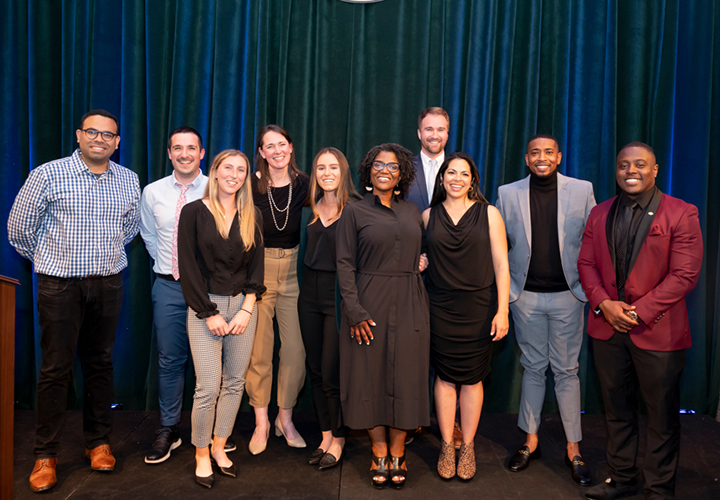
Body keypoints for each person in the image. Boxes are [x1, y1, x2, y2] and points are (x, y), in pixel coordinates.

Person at [7, 109, 141, 493]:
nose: (100, 139)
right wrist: (51, 262)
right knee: (55, 369)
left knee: (100, 364)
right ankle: (45, 454)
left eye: (108, 135)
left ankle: (97, 443)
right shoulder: (48, 174)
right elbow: (19, 228)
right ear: (79, 136)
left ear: (117, 143)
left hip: (109, 284)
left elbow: (129, 228)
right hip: (59, 287)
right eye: (93, 132)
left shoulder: (128, 180)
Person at [578, 142, 702, 500]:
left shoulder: (681, 213)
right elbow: (585, 264)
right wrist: (604, 304)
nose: (631, 171)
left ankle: (659, 490)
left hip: (657, 331)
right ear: (616, 171)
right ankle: (621, 479)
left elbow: (685, 274)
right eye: (623, 165)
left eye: (639, 165)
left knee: (662, 418)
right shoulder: (600, 213)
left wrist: (637, 312)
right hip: (607, 328)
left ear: (655, 169)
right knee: (616, 411)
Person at [495, 134, 595, 485]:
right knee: (533, 368)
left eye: (548, 152)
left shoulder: (582, 190)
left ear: (559, 157)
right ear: (527, 158)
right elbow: (497, 246)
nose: (541, 158)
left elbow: (593, 241)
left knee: (567, 371)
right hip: (525, 298)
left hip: (570, 296)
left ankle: (574, 449)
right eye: (535, 152)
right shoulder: (507, 194)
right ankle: (530, 442)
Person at [336, 143, 430, 489]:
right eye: (378, 166)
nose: (385, 171)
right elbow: (344, 264)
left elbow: (422, 252)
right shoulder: (355, 212)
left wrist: (422, 261)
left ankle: (398, 450)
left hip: (410, 302)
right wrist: (354, 310)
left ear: (402, 173)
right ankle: (378, 449)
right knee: (367, 376)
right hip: (367, 303)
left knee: (406, 377)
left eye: (392, 166)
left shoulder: (412, 210)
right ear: (368, 172)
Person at [177, 149, 265, 489]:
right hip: (205, 307)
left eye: (241, 169)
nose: (234, 174)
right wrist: (209, 313)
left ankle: (218, 445)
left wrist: (247, 307)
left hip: (243, 306)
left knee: (234, 383)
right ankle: (200, 453)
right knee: (208, 386)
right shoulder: (194, 213)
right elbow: (188, 269)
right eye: (227, 167)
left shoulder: (251, 214)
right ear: (214, 171)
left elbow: (256, 267)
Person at [422, 152, 510, 481]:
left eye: (464, 173)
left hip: (480, 308)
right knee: (445, 377)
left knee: (472, 380)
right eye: (451, 173)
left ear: (472, 180)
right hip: (440, 307)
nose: (457, 178)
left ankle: (468, 445)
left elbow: (502, 266)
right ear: (442, 178)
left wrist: (502, 311)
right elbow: (418, 254)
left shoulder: (489, 214)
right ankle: (448, 444)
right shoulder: (428, 216)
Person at [245, 125, 310, 454]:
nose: (276, 151)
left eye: (281, 144)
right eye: (269, 146)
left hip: (296, 270)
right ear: (261, 153)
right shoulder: (250, 185)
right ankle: (261, 422)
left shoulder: (306, 184)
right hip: (259, 270)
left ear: (290, 146)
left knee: (296, 351)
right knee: (258, 351)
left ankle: (286, 418)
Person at [298, 147, 361, 470]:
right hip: (308, 295)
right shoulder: (309, 209)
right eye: (320, 167)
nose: (326, 173)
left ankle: (339, 437)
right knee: (316, 369)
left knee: (333, 371)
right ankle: (324, 435)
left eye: (332, 167)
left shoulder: (357, 209)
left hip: (338, 297)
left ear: (343, 172)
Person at [405, 107, 450, 213]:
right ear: (419, 134)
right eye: (429, 129)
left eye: (440, 130)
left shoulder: (458, 170)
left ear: (447, 134)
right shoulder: (405, 168)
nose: (435, 135)